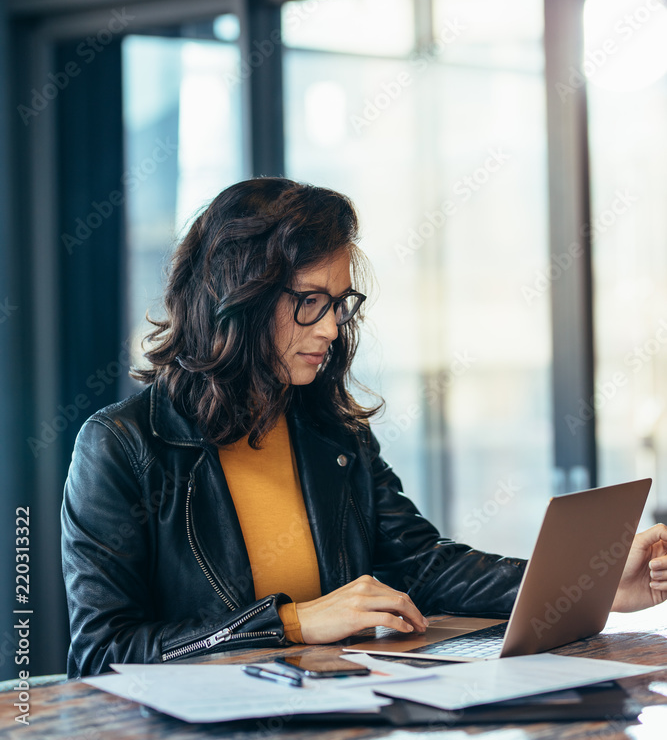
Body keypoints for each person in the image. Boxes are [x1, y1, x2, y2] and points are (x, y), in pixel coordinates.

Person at [61, 178, 667, 677]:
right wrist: (292, 623)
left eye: (340, 303)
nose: (329, 328)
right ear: (237, 295)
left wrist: (598, 579)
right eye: (309, 300)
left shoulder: (331, 434)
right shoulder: (121, 446)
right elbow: (100, 653)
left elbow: (424, 565)